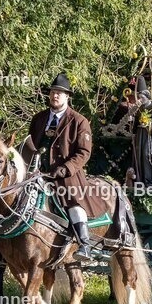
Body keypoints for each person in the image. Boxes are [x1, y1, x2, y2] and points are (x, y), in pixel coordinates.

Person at [29, 73, 104, 262]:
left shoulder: (79, 121)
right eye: (53, 92)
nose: (55, 96)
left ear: (67, 97)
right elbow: (29, 146)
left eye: (60, 93)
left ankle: (84, 244)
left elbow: (83, 152)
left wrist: (65, 168)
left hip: (66, 176)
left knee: (74, 203)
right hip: (38, 173)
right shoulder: (38, 119)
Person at [131, 76, 152, 186]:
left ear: (147, 97)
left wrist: (148, 124)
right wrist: (133, 133)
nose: (140, 99)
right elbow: (135, 122)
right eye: (139, 97)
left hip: (148, 136)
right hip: (139, 135)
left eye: (142, 97)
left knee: (146, 155)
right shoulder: (140, 108)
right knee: (138, 156)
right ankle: (139, 179)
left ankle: (149, 180)